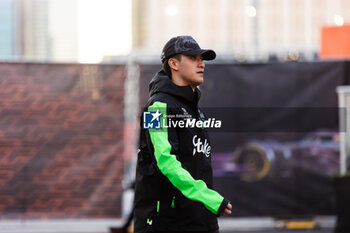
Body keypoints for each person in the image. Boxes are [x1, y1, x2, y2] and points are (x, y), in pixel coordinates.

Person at [134, 35, 232, 233]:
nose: (201, 64)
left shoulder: (196, 110)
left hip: (200, 221)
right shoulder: (157, 107)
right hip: (165, 223)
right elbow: (165, 162)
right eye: (193, 58)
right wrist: (208, 197)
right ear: (173, 63)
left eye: (202, 59)